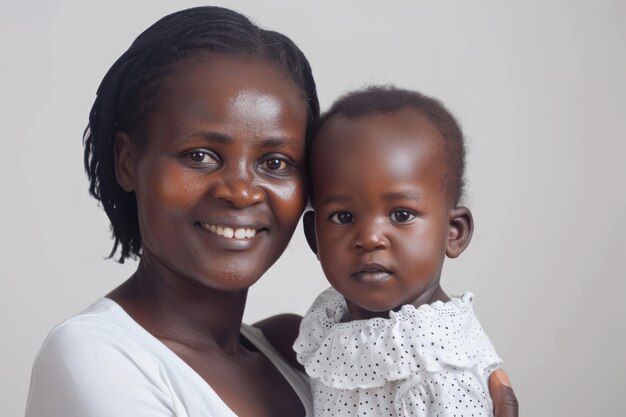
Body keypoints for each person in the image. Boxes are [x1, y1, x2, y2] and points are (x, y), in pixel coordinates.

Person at [26, 6, 517, 417]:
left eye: (275, 162)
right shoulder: (94, 356)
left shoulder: (306, 352)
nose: (241, 192)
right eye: (200, 155)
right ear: (128, 162)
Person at [293, 86, 513, 416]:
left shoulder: (440, 368)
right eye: (344, 217)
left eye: (401, 215)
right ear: (314, 238)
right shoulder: (329, 320)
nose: (369, 238)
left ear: (454, 233)